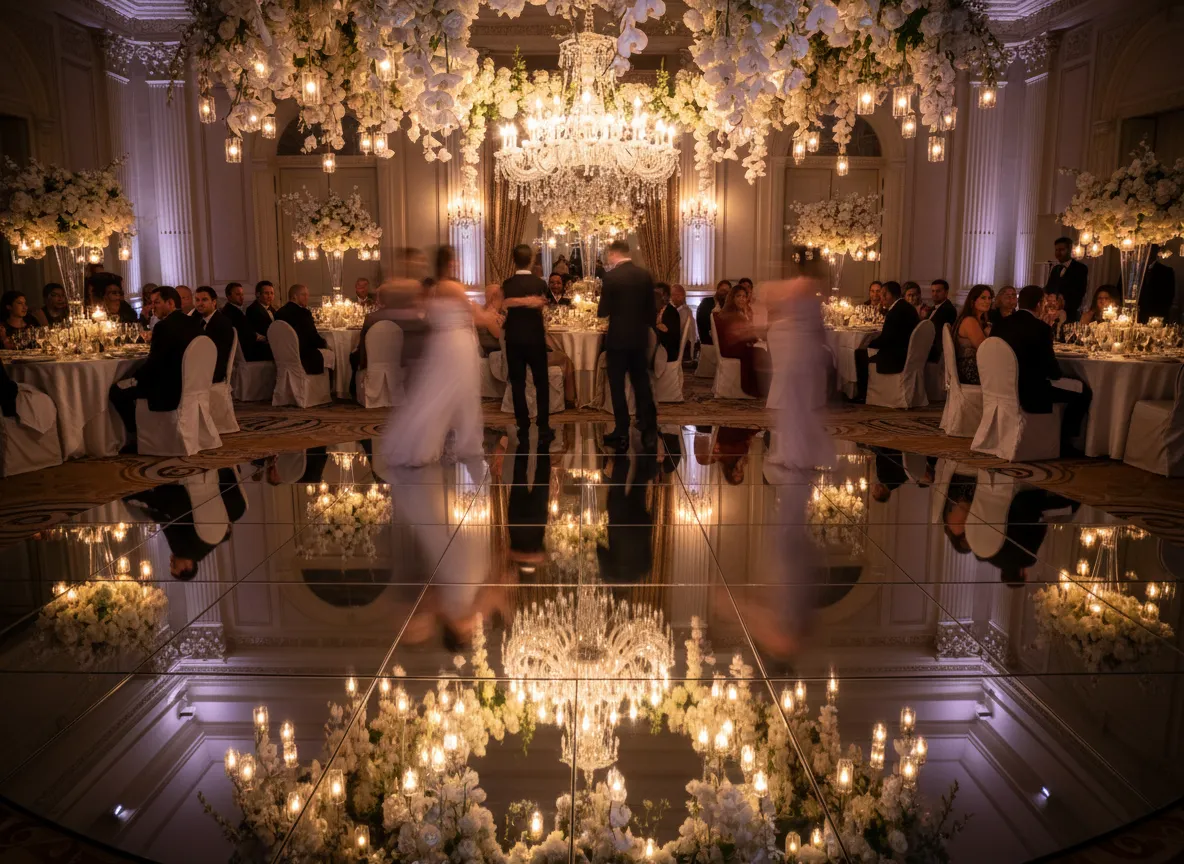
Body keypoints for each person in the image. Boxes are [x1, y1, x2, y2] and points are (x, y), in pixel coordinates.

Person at [382, 248, 499, 466]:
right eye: (453, 261)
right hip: (457, 345)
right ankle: (465, 445)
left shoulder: (431, 289)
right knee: (456, 394)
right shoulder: (452, 287)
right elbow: (475, 317)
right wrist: (490, 313)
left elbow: (426, 315)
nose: (456, 264)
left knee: (440, 393)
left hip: (442, 343)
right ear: (447, 263)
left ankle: (446, 444)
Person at [991, 284, 1091, 454]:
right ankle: (1066, 442)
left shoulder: (1000, 325)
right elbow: (1053, 372)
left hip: (1000, 386)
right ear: (1039, 304)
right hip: (1031, 391)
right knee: (1084, 391)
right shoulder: (1040, 328)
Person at [108, 285, 203, 450]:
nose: (153, 307)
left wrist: (133, 378)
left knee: (115, 391)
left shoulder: (163, 327)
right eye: (152, 303)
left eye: (157, 302)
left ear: (171, 303)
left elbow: (154, 365)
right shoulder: (195, 322)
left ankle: (135, 437)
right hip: (192, 385)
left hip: (168, 390)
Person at [598, 238, 658, 451]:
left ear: (614, 254)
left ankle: (621, 430)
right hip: (639, 338)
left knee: (617, 386)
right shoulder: (644, 276)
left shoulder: (611, 277)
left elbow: (602, 311)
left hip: (618, 339)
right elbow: (652, 310)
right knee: (641, 383)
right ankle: (650, 428)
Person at [501, 243, 553, 440]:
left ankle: (522, 423)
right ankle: (544, 424)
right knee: (541, 382)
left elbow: (503, 309)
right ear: (531, 260)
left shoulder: (507, 284)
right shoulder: (540, 284)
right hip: (534, 337)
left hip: (514, 337)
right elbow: (543, 308)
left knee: (517, 382)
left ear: (513, 260)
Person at [853, 281, 919, 402]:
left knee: (859, 353)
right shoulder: (908, 307)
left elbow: (886, 340)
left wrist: (868, 344)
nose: (881, 297)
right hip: (909, 354)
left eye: (884, 294)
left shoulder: (894, 312)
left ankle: (862, 395)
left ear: (892, 295)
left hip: (896, 358)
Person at [348, 281, 409, 399]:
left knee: (352, 356)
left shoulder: (370, 318)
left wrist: (359, 360)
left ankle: (353, 390)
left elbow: (362, 343)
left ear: (378, 300)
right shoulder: (400, 318)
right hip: (395, 359)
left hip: (370, 362)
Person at [715, 283, 771, 397]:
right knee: (760, 353)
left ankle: (763, 387)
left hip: (736, 345)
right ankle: (757, 389)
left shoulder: (738, 312)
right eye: (738, 296)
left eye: (744, 296)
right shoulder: (731, 314)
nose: (742, 299)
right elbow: (737, 335)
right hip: (731, 348)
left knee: (761, 352)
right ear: (732, 298)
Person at [275, 283, 329, 375]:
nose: (307, 297)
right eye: (303, 295)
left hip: (282, 356)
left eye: (307, 295)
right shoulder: (304, 313)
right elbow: (313, 337)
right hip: (303, 355)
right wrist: (325, 344)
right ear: (294, 297)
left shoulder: (279, 312)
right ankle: (329, 387)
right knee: (330, 354)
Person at [952, 284, 993, 385]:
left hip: (974, 365)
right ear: (972, 301)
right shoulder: (969, 321)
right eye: (983, 298)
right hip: (969, 370)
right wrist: (989, 334)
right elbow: (984, 349)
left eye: (989, 298)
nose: (987, 301)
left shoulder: (979, 320)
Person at [193, 286, 235, 383]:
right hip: (200, 366)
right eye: (197, 300)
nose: (200, 304)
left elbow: (220, 355)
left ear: (214, 302)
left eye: (204, 300)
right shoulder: (197, 320)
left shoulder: (222, 322)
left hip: (213, 370)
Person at [222, 281, 269, 361]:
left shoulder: (235, 310)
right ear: (228, 296)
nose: (242, 297)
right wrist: (263, 338)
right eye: (238, 294)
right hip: (246, 350)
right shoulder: (231, 312)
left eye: (242, 294)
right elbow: (245, 334)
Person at [1045, 237, 1088, 322]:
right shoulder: (1056, 268)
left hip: (1070, 314)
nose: (1058, 253)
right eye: (1056, 250)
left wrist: (1063, 302)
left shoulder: (1080, 268)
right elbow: (1049, 288)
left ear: (1069, 250)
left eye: (1061, 250)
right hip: (1052, 313)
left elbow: (1080, 292)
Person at [1138, 245, 1176, 323]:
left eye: (1151, 250)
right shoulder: (1133, 269)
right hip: (1135, 313)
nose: (1148, 253)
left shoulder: (1166, 271)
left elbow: (1169, 295)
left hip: (1157, 315)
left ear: (1157, 252)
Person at [652, 281, 682, 368]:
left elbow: (668, 334)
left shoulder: (671, 312)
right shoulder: (654, 310)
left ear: (666, 296)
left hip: (667, 351)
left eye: (658, 295)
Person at [927, 279, 956, 361]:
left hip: (937, 353)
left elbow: (938, 333)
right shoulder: (933, 308)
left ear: (946, 293)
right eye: (933, 291)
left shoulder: (948, 309)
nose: (934, 294)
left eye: (938, 291)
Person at [697, 280, 730, 346]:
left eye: (727, 292)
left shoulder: (727, 306)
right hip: (708, 341)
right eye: (723, 290)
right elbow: (702, 321)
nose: (724, 294)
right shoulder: (706, 302)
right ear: (717, 289)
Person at [476, 284, 504, 357]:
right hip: (491, 351)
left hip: (498, 349)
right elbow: (498, 335)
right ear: (493, 298)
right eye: (502, 296)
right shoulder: (486, 313)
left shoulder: (501, 311)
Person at [671, 284, 694, 359]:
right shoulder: (682, 311)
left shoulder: (683, 312)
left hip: (678, 350)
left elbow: (677, 332)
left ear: (681, 296)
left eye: (674, 295)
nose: (672, 298)